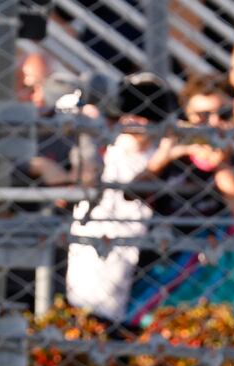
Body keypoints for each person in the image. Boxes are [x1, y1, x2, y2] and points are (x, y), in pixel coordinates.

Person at [78, 74, 234, 328]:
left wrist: (220, 167)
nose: (213, 124)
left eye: (223, 114)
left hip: (221, 284)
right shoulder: (171, 156)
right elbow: (131, 193)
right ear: (186, 118)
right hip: (163, 282)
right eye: (202, 116)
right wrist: (166, 156)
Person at [66, 72, 178, 327]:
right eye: (129, 114)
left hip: (142, 263)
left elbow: (136, 188)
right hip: (95, 251)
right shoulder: (108, 147)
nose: (135, 122)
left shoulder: (161, 154)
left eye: (146, 116)